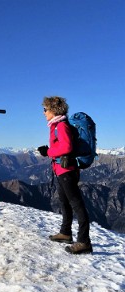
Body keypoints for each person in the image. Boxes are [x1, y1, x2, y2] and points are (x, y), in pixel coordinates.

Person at [37, 96, 92, 254]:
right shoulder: (56, 125)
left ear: (54, 110)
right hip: (62, 170)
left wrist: (48, 152)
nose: (44, 112)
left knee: (77, 205)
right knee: (64, 202)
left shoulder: (61, 126)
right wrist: (50, 149)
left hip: (67, 171)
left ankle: (84, 242)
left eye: (45, 109)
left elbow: (66, 147)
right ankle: (66, 233)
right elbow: (62, 145)